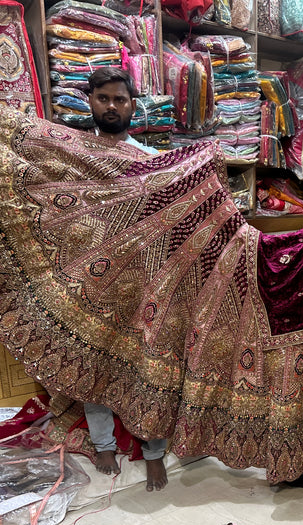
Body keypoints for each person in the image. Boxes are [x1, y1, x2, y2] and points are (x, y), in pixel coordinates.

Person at [85, 67, 168, 492]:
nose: (112, 106)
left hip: (140, 279)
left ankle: (154, 450)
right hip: (90, 278)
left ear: (133, 105)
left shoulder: (150, 162)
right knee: (92, 359)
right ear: (91, 102)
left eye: (120, 99)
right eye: (104, 98)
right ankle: (103, 442)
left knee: (148, 364)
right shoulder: (75, 156)